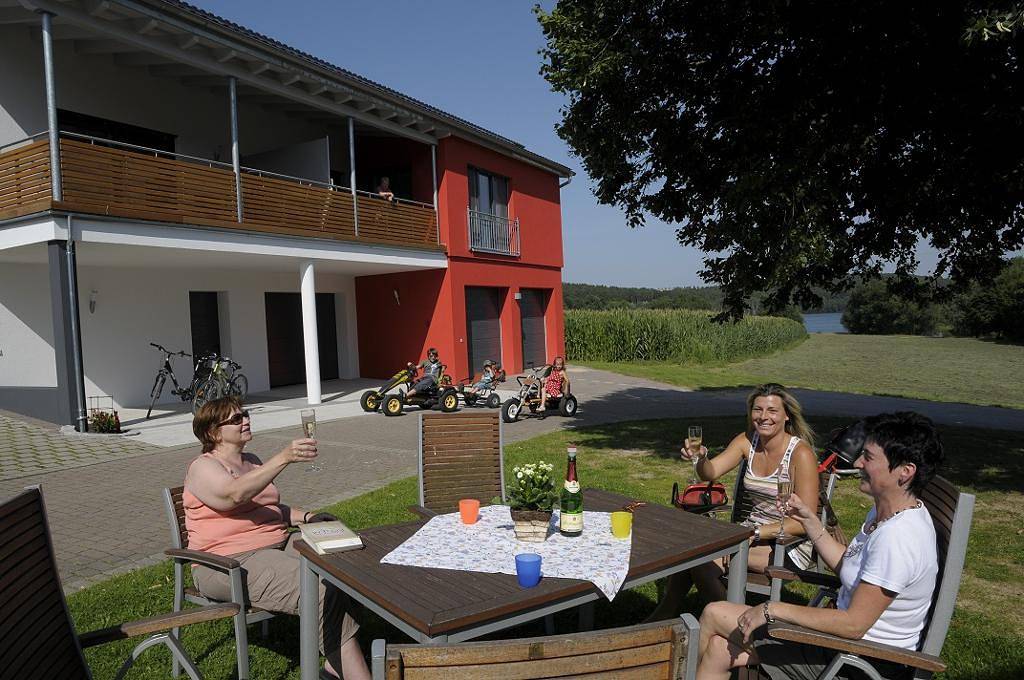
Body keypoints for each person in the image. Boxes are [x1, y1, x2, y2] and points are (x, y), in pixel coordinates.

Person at [696, 411, 944, 680]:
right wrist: (811, 522)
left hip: (858, 660)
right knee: (720, 648)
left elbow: (854, 625)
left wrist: (772, 609)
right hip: (841, 644)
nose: (858, 462)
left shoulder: (899, 537)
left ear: (904, 472)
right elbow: (850, 567)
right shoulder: (886, 512)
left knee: (713, 614)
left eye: (869, 457)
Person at [183, 397, 369, 680]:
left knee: (345, 567)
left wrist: (308, 517)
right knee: (318, 589)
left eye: (245, 414)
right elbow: (233, 495)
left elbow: (268, 508)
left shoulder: (252, 461)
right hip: (227, 562)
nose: (245, 420)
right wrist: (283, 457)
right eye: (235, 419)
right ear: (213, 432)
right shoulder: (203, 467)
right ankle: (356, 674)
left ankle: (335, 666)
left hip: (277, 543)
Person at [647, 383, 818, 620]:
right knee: (692, 553)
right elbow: (710, 472)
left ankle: (735, 625)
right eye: (758, 410)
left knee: (698, 558)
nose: (763, 417)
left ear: (787, 415)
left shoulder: (801, 454)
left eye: (772, 411)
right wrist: (700, 458)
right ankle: (668, 615)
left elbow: (804, 522)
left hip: (787, 544)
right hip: (749, 535)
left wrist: (755, 532)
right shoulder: (748, 441)